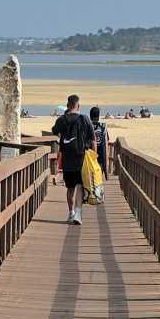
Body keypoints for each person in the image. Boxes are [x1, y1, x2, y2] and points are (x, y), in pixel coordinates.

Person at [51, 94, 95, 225]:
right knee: (80, 187)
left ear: (68, 105)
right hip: (81, 159)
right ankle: (78, 213)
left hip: (67, 160)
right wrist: (94, 158)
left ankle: (71, 213)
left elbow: (55, 132)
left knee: (70, 188)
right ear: (78, 105)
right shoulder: (85, 119)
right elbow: (93, 140)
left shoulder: (61, 120)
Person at [89, 105, 108, 180]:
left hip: (90, 153)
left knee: (90, 175)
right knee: (98, 177)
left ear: (90, 116)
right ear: (98, 116)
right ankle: (98, 189)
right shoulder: (103, 126)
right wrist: (106, 165)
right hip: (101, 154)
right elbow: (106, 143)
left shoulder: (87, 125)